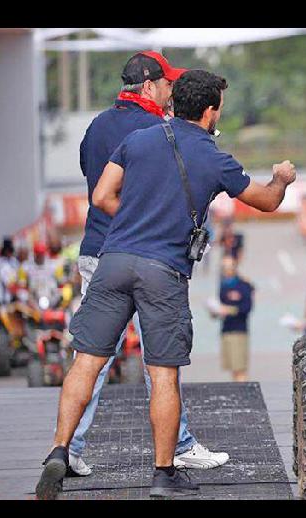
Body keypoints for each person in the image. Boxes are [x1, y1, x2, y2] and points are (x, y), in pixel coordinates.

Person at [35, 69, 297, 500]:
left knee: (86, 362)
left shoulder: (138, 139)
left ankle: (59, 451)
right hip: (163, 271)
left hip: (113, 260)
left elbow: (101, 196)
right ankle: (163, 473)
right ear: (210, 111)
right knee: (163, 376)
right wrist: (283, 178)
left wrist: (136, 221)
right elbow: (266, 201)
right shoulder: (214, 157)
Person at [65, 51, 227, 479]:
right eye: (169, 85)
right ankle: (178, 449)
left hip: (95, 250)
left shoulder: (98, 125)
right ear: (151, 87)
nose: (173, 93)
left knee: (91, 358)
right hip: (146, 252)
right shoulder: (160, 131)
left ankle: (68, 448)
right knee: (163, 363)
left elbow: (93, 180)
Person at [211, 256, 254, 382]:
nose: (226, 270)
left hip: (238, 330)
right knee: (232, 368)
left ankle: (243, 395)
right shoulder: (223, 285)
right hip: (226, 329)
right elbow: (220, 307)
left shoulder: (243, 285)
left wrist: (228, 310)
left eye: (229, 267)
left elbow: (247, 308)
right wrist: (215, 311)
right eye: (223, 267)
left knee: (239, 367)